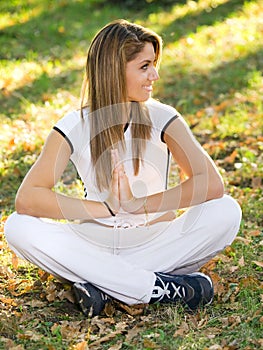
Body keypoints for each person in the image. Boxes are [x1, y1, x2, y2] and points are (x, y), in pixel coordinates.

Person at [4, 19, 242, 317]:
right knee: (18, 226)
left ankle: (102, 285)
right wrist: (110, 208)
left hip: (157, 244)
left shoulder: (163, 117)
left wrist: (137, 204)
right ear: (114, 70)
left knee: (226, 210)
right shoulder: (74, 125)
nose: (154, 74)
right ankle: (156, 287)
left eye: (154, 64)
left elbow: (211, 184)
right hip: (95, 247)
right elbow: (28, 199)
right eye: (144, 66)